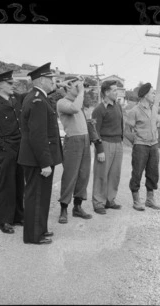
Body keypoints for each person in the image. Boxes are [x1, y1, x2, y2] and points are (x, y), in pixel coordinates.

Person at [17, 62, 63, 245]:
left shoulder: (39, 98)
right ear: (42, 80)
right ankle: (34, 236)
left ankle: (40, 229)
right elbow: (38, 135)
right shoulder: (36, 100)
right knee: (36, 197)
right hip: (37, 160)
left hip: (39, 158)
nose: (53, 82)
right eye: (51, 79)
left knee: (42, 196)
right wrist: (45, 162)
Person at [0, 70, 24, 234]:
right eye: (9, 83)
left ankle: (18, 216)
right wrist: (5, 147)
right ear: (0, 85)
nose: (13, 85)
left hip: (21, 147)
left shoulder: (16, 100)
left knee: (19, 183)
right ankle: (5, 220)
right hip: (7, 148)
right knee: (7, 185)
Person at [56, 76, 92, 224]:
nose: (79, 88)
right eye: (76, 86)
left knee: (83, 175)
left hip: (85, 140)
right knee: (70, 176)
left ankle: (77, 207)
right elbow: (75, 109)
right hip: (73, 141)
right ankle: (63, 209)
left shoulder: (79, 101)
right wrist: (81, 91)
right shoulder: (62, 102)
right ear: (68, 87)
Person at [127, 82, 160, 211]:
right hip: (140, 146)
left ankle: (150, 199)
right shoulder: (134, 111)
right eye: (153, 93)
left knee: (153, 172)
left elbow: (156, 125)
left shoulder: (155, 109)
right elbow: (127, 130)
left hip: (153, 145)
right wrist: (137, 142)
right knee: (137, 173)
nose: (154, 95)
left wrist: (154, 139)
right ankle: (136, 200)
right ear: (145, 95)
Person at [92, 80, 124, 215]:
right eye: (115, 90)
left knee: (114, 174)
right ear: (106, 92)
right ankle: (99, 202)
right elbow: (94, 131)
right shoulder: (99, 110)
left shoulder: (118, 106)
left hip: (118, 144)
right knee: (101, 174)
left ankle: (110, 200)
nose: (117, 92)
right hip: (105, 144)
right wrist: (99, 149)